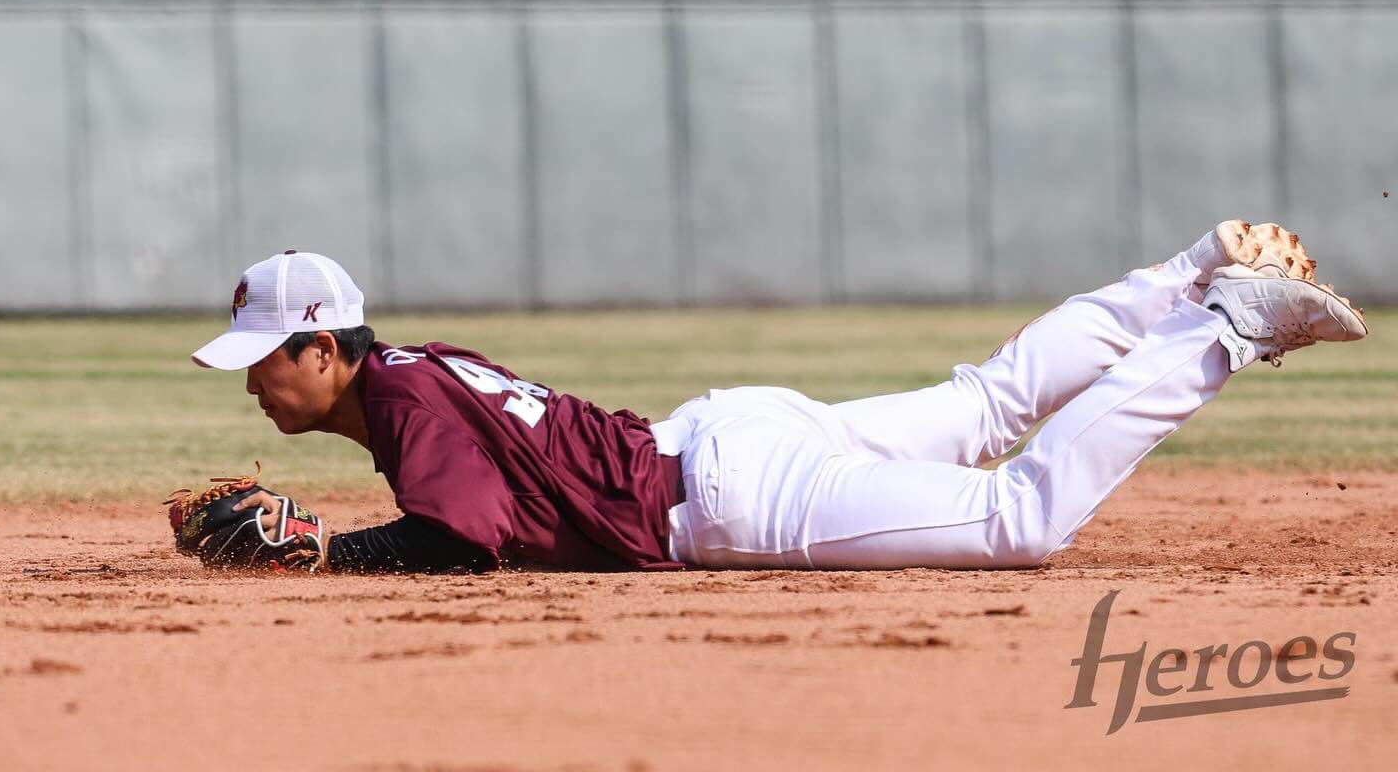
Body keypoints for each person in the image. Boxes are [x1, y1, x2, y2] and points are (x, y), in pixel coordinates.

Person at [190, 223, 1366, 574]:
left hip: (728, 491)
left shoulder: (401, 403)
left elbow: (465, 537)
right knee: (986, 401)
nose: (251, 380)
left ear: (325, 348)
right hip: (725, 432)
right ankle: (1193, 267)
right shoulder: (414, 368)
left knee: (1022, 517)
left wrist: (327, 556)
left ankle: (1222, 324)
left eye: (263, 356)